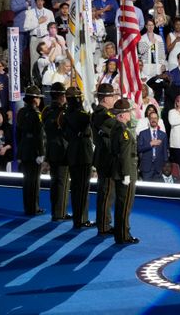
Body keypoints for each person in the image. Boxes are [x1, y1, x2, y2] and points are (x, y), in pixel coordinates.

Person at [106, 99, 140, 244]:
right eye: (127, 112)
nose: (129, 114)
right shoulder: (123, 131)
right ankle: (123, 235)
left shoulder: (116, 128)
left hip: (118, 170)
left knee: (122, 204)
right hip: (125, 172)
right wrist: (127, 173)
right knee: (125, 204)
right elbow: (125, 154)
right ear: (122, 115)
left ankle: (121, 233)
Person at [62, 87, 96, 229]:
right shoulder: (82, 115)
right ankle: (81, 219)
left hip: (72, 153)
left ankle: (77, 218)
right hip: (83, 154)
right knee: (82, 188)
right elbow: (90, 129)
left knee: (75, 188)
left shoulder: (64, 115)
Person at [92, 83, 119, 235]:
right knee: (106, 192)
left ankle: (104, 222)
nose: (114, 98)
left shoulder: (101, 112)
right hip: (106, 156)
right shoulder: (103, 114)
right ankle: (104, 225)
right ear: (105, 98)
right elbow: (115, 129)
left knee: (107, 192)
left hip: (104, 155)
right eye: (112, 96)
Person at [42, 83, 71, 221]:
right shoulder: (63, 112)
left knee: (55, 182)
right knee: (62, 183)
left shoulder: (47, 111)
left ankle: (55, 210)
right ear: (62, 96)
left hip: (51, 150)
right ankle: (60, 213)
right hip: (62, 151)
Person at [17, 86, 46, 216]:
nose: (39, 100)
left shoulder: (21, 112)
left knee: (26, 180)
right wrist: (41, 153)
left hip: (24, 149)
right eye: (38, 98)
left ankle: (27, 207)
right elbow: (39, 135)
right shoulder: (37, 114)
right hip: (34, 151)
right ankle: (34, 208)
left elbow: (18, 133)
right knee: (34, 181)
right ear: (34, 99)